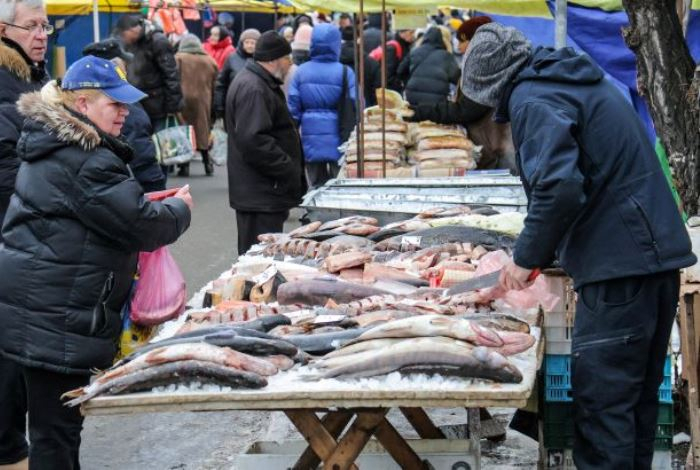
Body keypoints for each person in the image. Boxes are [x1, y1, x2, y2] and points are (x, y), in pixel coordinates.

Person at [461, 24, 696, 469]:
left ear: (492, 89)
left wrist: (526, 257)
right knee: (632, 411)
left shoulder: (534, 98)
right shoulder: (570, 81)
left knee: (605, 412)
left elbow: (559, 187)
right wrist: (544, 254)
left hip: (621, 269)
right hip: (648, 262)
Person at [0, 55, 192, 470]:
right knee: (56, 435)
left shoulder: (64, 143)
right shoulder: (85, 157)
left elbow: (107, 210)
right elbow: (140, 225)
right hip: (57, 314)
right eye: (115, 104)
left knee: (56, 431)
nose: (125, 112)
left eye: (126, 104)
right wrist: (181, 210)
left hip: (44, 306)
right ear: (82, 105)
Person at [0, 1, 50, 467]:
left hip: (23, 236)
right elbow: (9, 168)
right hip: (9, 235)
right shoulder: (5, 84)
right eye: (32, 25)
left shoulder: (29, 80)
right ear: (2, 29)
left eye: (46, 24)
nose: (42, 33)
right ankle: (9, 449)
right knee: (8, 351)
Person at [226, 31, 306, 255]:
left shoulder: (259, 82)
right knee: (258, 259)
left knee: (260, 257)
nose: (290, 65)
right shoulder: (254, 88)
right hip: (261, 193)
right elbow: (254, 140)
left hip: (262, 191)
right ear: (273, 59)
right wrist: (287, 168)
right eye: (287, 59)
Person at [405, 17, 515, 172]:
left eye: (462, 41)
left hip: (495, 151)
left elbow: (465, 110)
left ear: (475, 40)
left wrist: (419, 112)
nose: (460, 48)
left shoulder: (486, 69)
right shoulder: (495, 63)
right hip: (496, 147)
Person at [82, 39, 166, 192]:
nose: (126, 67)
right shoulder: (124, 106)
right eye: (122, 63)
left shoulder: (83, 104)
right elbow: (141, 156)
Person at [288, 23, 356, 189]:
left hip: (310, 136)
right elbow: (356, 104)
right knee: (339, 183)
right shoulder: (346, 72)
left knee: (316, 184)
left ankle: (316, 212)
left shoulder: (301, 71)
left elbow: (293, 108)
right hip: (340, 134)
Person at [114, 14, 183, 130]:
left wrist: (173, 107)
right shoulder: (132, 42)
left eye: (123, 34)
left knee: (160, 142)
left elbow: (171, 75)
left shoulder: (158, 41)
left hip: (158, 106)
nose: (123, 38)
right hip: (139, 104)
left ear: (133, 29)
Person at [175, 34, 218, 176]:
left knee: (184, 131)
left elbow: (173, 79)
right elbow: (215, 85)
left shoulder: (178, 59)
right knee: (202, 130)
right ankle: (207, 163)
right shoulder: (210, 61)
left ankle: (184, 166)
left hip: (183, 100)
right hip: (204, 101)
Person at [397, 26, 459, 106]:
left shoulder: (415, 51)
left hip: (412, 96)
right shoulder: (446, 56)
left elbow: (400, 71)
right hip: (437, 99)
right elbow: (456, 78)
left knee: (416, 117)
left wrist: (409, 83)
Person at [213, 28, 260, 119]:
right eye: (247, 42)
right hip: (234, 106)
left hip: (257, 106)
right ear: (242, 43)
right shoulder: (232, 58)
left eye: (253, 43)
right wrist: (219, 107)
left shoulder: (263, 60)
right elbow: (221, 84)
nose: (250, 46)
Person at [339, 25, 380, 107]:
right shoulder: (371, 62)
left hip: (339, 110)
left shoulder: (333, 61)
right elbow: (377, 91)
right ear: (359, 39)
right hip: (364, 109)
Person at [368, 28, 415, 93]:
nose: (413, 35)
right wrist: (400, 85)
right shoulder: (392, 48)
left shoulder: (405, 46)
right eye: (411, 32)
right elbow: (388, 75)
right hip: (387, 90)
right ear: (402, 33)